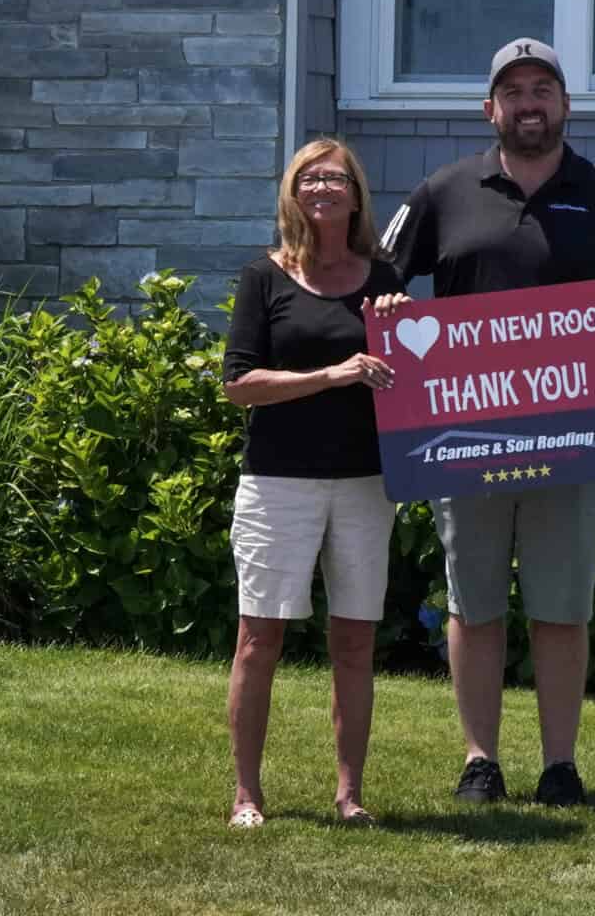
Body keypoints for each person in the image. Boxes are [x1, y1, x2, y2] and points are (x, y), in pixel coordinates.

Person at [374, 37, 595, 806]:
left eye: (542, 88)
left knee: (560, 607)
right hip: (464, 436)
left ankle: (559, 766)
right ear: (490, 109)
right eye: (512, 92)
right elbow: (377, 279)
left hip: (573, 438)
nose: (528, 104)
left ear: (565, 103)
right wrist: (389, 313)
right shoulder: (444, 190)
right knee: (473, 604)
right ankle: (479, 760)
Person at [219, 138, 406, 829]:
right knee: (258, 639)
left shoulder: (382, 278)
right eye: (309, 178)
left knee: (354, 643)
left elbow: (411, 377)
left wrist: (401, 331)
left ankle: (350, 795)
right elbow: (240, 384)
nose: (323, 187)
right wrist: (331, 375)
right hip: (278, 483)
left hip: (365, 482)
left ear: (356, 196)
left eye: (336, 178)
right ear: (292, 193)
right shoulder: (263, 277)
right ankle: (247, 794)